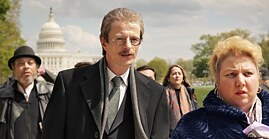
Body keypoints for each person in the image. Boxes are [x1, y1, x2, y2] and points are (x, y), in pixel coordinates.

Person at [42, 8, 169, 139]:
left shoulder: (155, 93)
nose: (128, 46)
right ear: (103, 42)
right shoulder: (68, 83)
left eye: (134, 39)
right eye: (120, 39)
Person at [172, 36, 269, 139]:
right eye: (231, 74)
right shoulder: (191, 124)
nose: (240, 82)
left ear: (258, 79)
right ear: (217, 82)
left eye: (248, 73)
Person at [0, 45, 53, 139]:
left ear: (37, 67)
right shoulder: (3, 97)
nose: (26, 67)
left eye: (30, 63)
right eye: (21, 64)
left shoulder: (49, 94)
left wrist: (46, 73)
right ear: (13, 68)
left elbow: (64, 86)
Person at [162, 64, 198, 137]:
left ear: (183, 78)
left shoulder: (189, 92)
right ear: (168, 78)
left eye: (179, 73)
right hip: (169, 134)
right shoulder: (162, 93)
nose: (177, 76)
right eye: (174, 74)